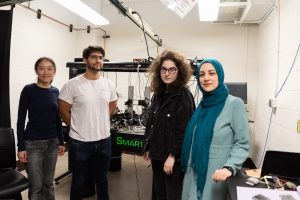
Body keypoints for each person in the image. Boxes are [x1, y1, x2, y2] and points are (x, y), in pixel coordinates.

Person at [181, 58, 250, 200]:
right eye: (201, 74)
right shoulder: (202, 105)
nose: (206, 78)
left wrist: (229, 168)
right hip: (192, 171)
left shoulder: (234, 104)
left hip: (215, 176)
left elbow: (242, 143)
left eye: (211, 73)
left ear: (220, 75)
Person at [58, 45, 117, 200]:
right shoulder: (73, 84)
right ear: (85, 60)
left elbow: (112, 105)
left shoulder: (108, 84)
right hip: (80, 142)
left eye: (100, 57)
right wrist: (76, 126)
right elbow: (63, 109)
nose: (97, 60)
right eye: (93, 57)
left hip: (104, 141)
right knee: (79, 182)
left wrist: (102, 121)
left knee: (103, 180)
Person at [143, 50, 195, 200]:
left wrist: (172, 156)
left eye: (172, 69)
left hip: (172, 159)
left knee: (172, 195)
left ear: (179, 71)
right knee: (160, 194)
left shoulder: (184, 95)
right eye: (164, 69)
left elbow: (184, 130)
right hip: (157, 155)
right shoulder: (158, 94)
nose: (167, 73)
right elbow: (151, 123)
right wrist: (148, 146)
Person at [17, 57, 65, 200]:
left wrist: (61, 141)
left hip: (52, 143)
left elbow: (57, 119)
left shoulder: (56, 91)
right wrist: (21, 147)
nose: (45, 72)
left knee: (49, 184)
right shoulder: (28, 90)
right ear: (36, 71)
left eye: (49, 68)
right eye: (41, 68)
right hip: (32, 144)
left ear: (54, 71)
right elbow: (20, 120)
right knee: (36, 186)